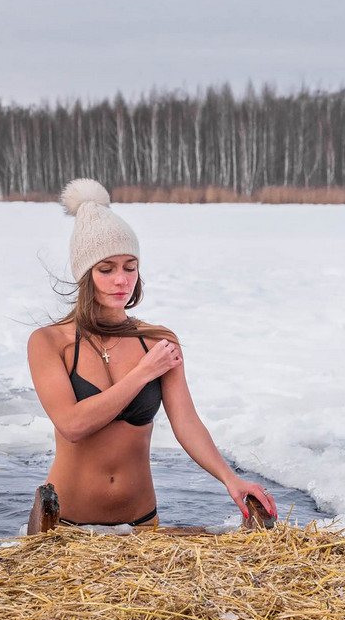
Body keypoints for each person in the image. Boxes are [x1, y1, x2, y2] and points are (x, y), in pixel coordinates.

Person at [26, 178, 277, 531]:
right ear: (85, 275)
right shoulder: (50, 342)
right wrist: (143, 373)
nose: (121, 280)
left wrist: (230, 479)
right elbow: (73, 425)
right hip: (69, 528)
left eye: (130, 267)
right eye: (106, 269)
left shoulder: (157, 341)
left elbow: (186, 423)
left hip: (142, 526)